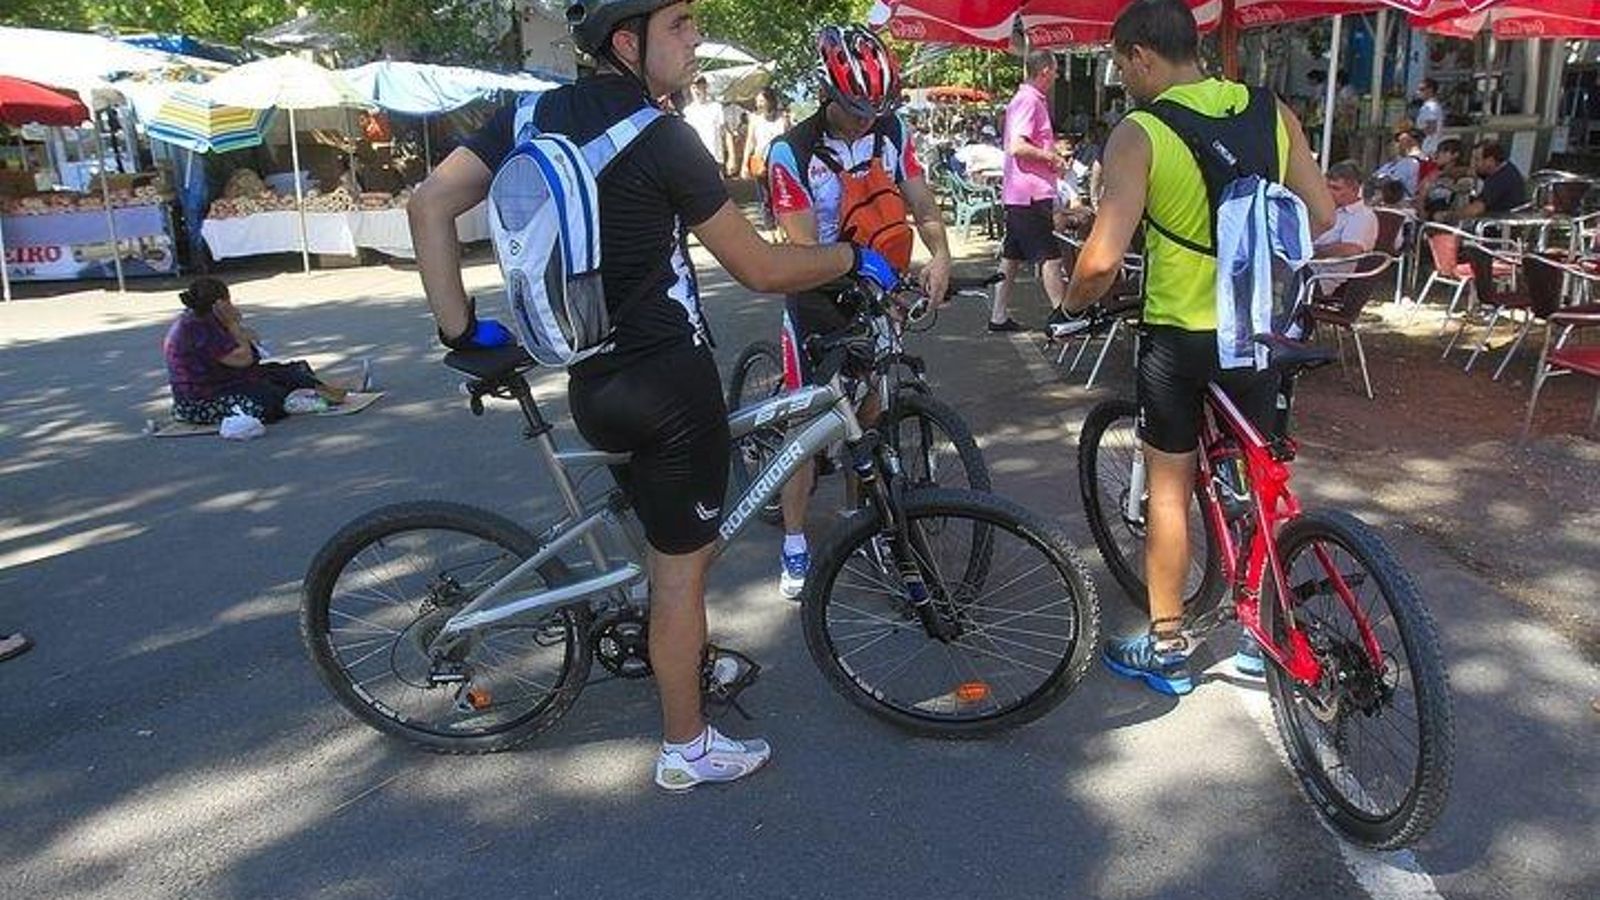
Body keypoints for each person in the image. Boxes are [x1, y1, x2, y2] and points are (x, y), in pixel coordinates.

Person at [406, 0, 898, 791]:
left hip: (594, 382)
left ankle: (674, 652)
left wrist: (461, 332)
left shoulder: (528, 115)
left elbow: (428, 202)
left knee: (667, 550)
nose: (696, 37)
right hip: (671, 388)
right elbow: (761, 268)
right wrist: (851, 260)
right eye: (680, 24)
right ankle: (686, 747)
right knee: (681, 573)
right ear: (626, 41)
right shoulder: (664, 138)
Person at [1055, 0, 1334, 695]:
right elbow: (1323, 214)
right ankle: (1258, 637)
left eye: (1120, 66)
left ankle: (1168, 646)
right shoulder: (1272, 110)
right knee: (1260, 481)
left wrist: (1069, 305)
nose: (1122, 79)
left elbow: (1100, 263)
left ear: (1142, 55)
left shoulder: (1140, 132)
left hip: (1182, 337)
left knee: (1170, 494)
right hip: (1261, 332)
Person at [765, 23, 951, 599]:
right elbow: (801, 249)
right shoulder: (791, 151)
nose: (868, 118)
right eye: (856, 107)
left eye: (878, 106)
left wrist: (940, 255)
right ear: (828, 92)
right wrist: (860, 271)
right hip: (817, 298)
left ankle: (858, 518)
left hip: (879, 293)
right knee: (806, 428)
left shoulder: (892, 132)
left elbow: (922, 203)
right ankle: (794, 540)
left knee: (869, 413)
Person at [162, 278, 360, 425]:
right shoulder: (197, 328)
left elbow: (251, 338)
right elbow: (244, 359)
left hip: (226, 381)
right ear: (219, 304)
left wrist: (236, 326)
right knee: (267, 400)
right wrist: (232, 324)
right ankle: (315, 394)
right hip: (199, 400)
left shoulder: (208, 320)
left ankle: (325, 389)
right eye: (229, 302)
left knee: (289, 372)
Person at [991, 49, 1070, 334]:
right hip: (1030, 193)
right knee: (1051, 257)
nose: (1057, 76)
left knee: (1011, 256)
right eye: (1056, 70)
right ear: (1045, 71)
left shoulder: (1024, 99)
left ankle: (998, 315)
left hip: (1019, 192)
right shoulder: (1029, 100)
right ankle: (1063, 318)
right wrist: (1052, 158)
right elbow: (1017, 146)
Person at [1434, 138, 1527, 224]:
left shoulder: (1500, 180)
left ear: (1490, 161)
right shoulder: (1500, 168)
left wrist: (1447, 216)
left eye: (1477, 159)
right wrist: (1442, 173)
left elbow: (1476, 209)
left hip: (1496, 226)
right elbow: (1467, 171)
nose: (1473, 163)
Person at [743, 87, 790, 229]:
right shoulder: (754, 120)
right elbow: (750, 142)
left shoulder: (782, 119)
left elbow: (789, 140)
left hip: (780, 163)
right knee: (765, 197)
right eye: (757, 101)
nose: (759, 104)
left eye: (762, 101)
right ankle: (771, 229)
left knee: (782, 195)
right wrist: (745, 164)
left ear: (770, 101)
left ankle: (784, 227)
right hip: (761, 162)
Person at [681, 74, 724, 170]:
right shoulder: (687, 111)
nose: (697, 90)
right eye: (694, 87)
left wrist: (732, 156)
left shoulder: (716, 107)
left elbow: (725, 133)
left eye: (700, 87)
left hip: (715, 158)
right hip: (696, 159)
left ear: (705, 87)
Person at [1416, 137, 1466, 217]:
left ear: (1455, 155)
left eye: (1442, 151)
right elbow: (1420, 195)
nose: (1436, 155)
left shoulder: (1463, 174)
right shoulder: (1433, 174)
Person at [1372, 128, 1425, 201]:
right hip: (1383, 200)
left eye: (1401, 142)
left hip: (1402, 201)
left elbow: (1395, 185)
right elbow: (1374, 178)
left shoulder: (1412, 163)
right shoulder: (1389, 165)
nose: (1394, 145)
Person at [1415, 78, 1445, 156]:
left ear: (1430, 90)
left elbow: (1431, 128)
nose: (1418, 92)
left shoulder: (1431, 107)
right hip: (1428, 146)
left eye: (1421, 89)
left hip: (1429, 147)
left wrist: (1416, 133)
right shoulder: (1428, 106)